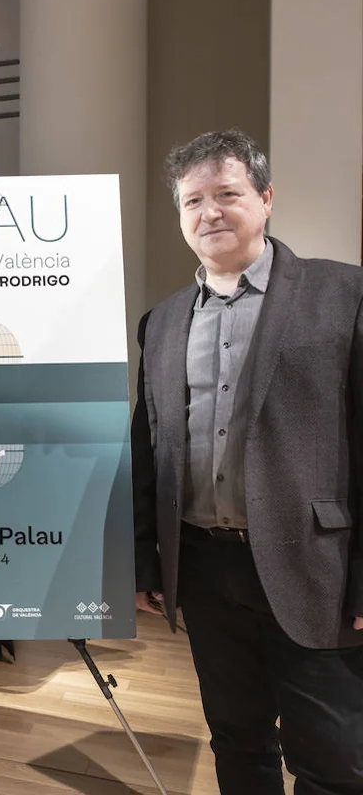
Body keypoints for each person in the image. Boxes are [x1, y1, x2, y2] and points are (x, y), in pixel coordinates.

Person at [132, 128, 363, 794]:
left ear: (265, 199)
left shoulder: (344, 295)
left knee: (332, 759)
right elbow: (150, 448)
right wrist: (146, 557)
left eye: (227, 194)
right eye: (192, 200)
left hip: (318, 568)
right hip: (207, 570)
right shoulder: (163, 321)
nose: (210, 212)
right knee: (237, 741)